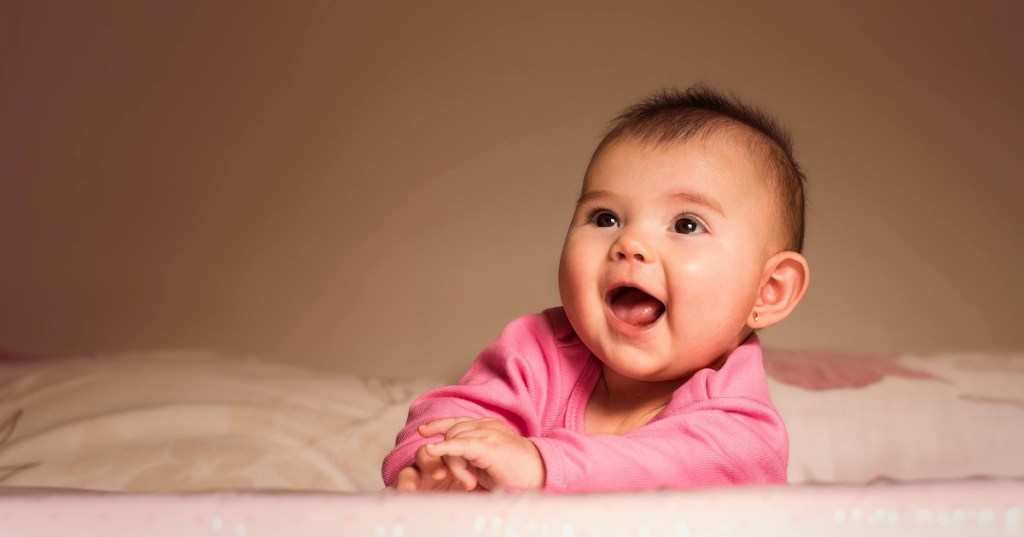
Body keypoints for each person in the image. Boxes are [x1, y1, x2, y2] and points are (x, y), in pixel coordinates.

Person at [381, 85, 810, 493]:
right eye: (605, 218)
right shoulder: (538, 349)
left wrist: (541, 465)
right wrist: (438, 462)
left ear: (768, 291)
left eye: (686, 224)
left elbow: (672, 467)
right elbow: (454, 414)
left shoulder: (743, 430)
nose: (630, 244)